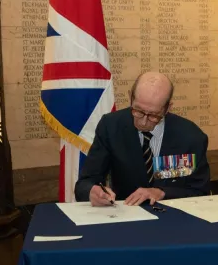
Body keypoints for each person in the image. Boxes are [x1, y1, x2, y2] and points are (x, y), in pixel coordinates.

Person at [75, 72, 210, 206]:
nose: (143, 122)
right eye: (138, 111)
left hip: (172, 219)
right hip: (127, 217)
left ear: (168, 108)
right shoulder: (111, 127)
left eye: (154, 115)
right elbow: (85, 183)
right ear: (130, 97)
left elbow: (200, 192)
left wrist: (162, 192)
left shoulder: (190, 137)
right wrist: (93, 192)